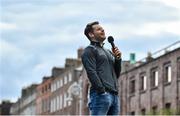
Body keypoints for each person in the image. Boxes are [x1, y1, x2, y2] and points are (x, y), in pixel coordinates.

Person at [81, 21, 122, 115]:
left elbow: (117, 74)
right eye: (99, 29)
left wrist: (118, 59)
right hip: (100, 95)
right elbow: (91, 72)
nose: (102, 30)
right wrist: (101, 91)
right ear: (91, 34)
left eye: (102, 28)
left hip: (114, 96)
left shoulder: (108, 51)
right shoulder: (89, 50)